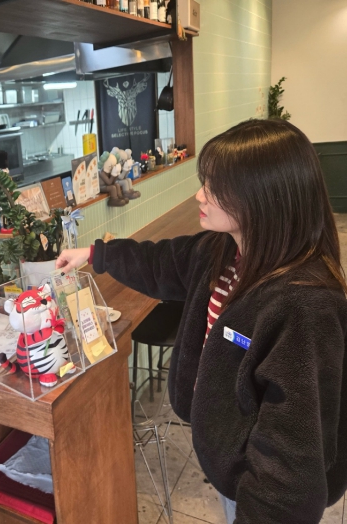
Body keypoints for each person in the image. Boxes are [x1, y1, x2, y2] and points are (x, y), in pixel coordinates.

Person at [57, 119, 347, 524]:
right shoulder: (224, 251)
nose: (199, 194)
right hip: (228, 458)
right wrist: (95, 254)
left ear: (261, 196)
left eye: (214, 186)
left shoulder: (303, 306)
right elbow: (160, 261)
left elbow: (288, 465)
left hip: (253, 480)